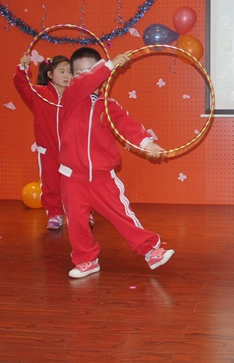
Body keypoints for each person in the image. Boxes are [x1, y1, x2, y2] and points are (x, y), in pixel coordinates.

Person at [58, 47, 174, 279]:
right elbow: (83, 84)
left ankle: (150, 251)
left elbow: (127, 125)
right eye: (79, 72)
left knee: (122, 216)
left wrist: (147, 143)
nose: (86, 76)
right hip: (73, 178)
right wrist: (108, 65)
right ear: (72, 77)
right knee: (77, 223)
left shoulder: (108, 105)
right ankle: (86, 260)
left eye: (91, 70)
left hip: (103, 178)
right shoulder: (69, 98)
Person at [13, 54, 72, 230]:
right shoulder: (39, 94)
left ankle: (83, 214)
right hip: (48, 152)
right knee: (51, 184)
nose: (67, 75)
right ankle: (55, 214)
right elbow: (21, 84)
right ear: (50, 74)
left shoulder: (76, 96)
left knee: (77, 185)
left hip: (73, 152)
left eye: (70, 71)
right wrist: (23, 69)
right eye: (62, 71)